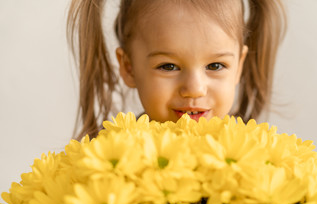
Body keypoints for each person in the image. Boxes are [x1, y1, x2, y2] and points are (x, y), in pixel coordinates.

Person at [67, 0, 286, 140]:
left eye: (215, 66)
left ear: (239, 65)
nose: (194, 89)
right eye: (168, 66)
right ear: (129, 68)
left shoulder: (256, 164)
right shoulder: (108, 165)